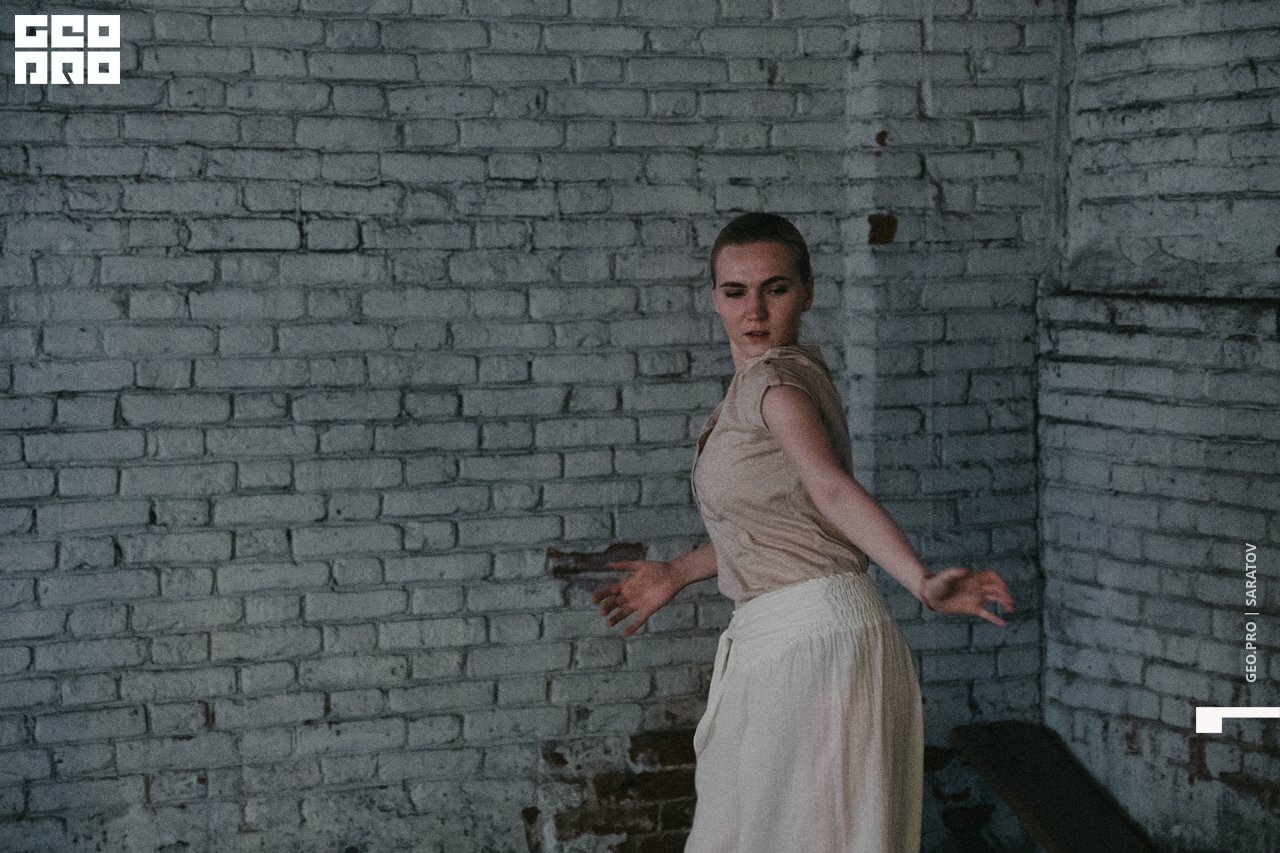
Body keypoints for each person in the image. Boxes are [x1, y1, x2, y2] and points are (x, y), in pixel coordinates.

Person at [591, 212, 1015, 852]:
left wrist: (922, 581)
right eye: (736, 291)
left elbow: (830, 490)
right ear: (715, 298)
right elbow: (789, 523)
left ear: (808, 292)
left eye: (777, 288)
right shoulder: (776, 380)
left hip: (813, 646)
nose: (754, 311)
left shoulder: (774, 385)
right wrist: (678, 572)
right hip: (802, 636)